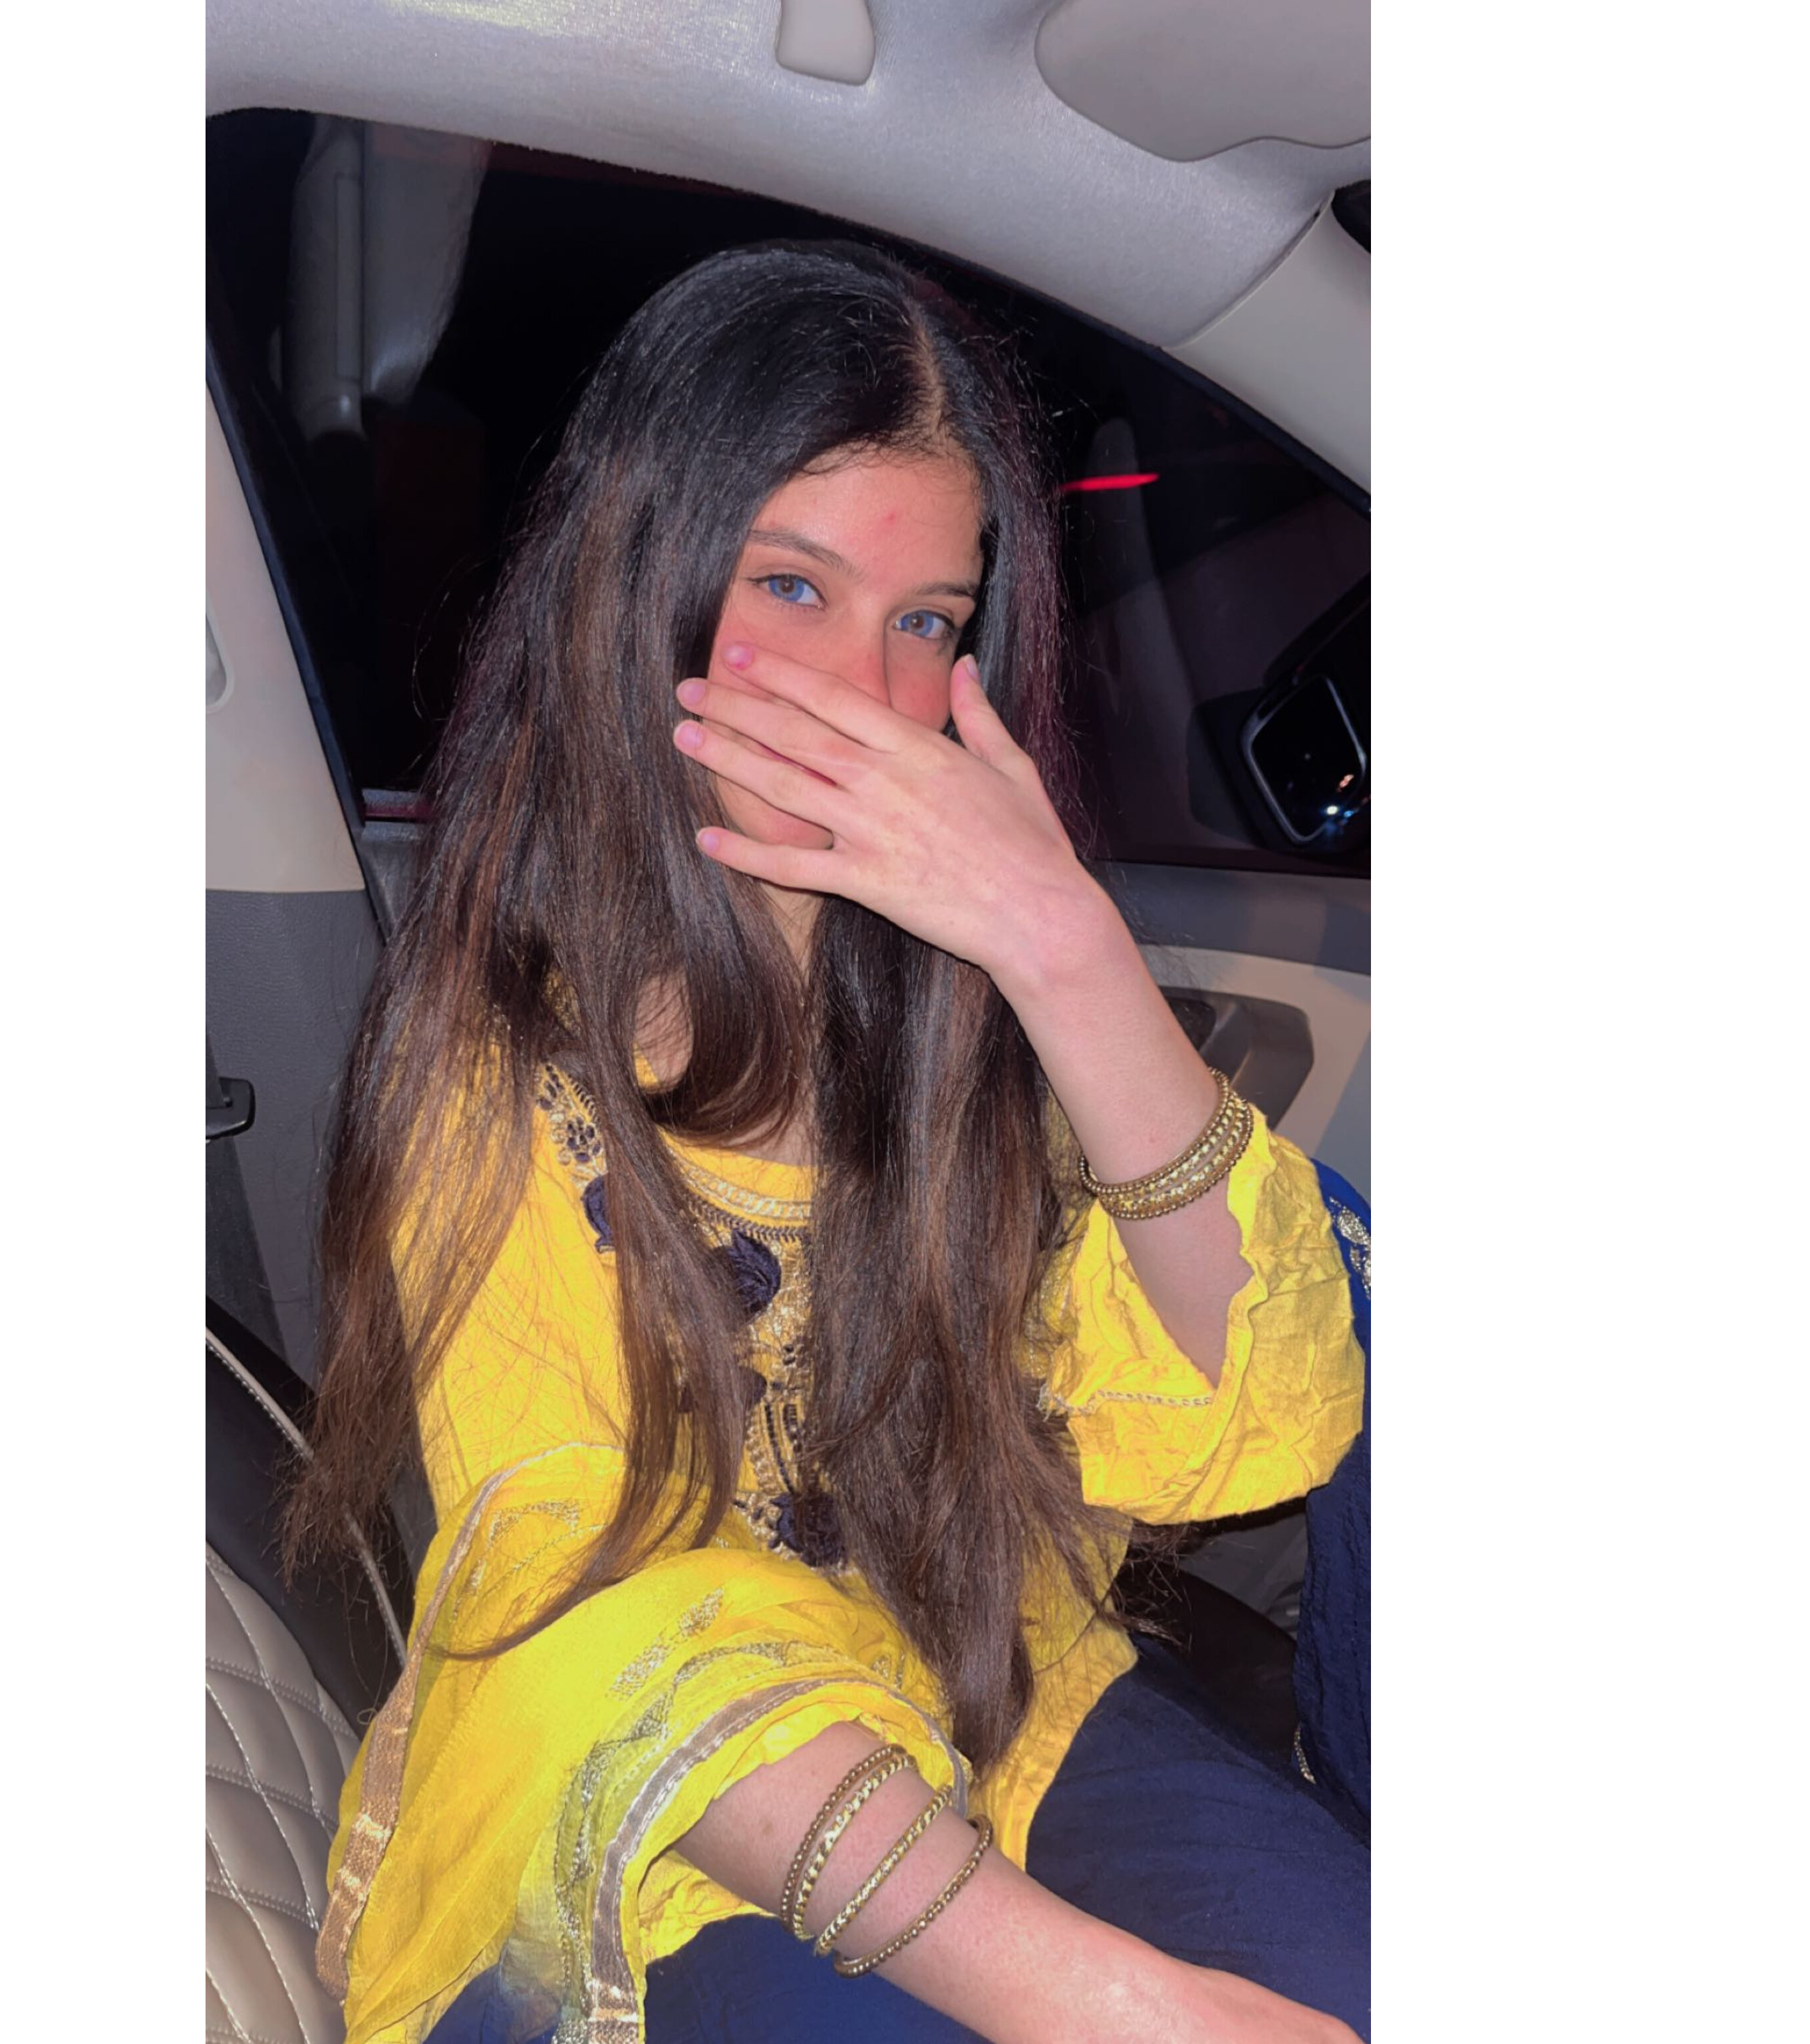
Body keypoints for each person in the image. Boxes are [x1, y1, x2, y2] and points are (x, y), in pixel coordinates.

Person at [286, 241, 1369, 2044]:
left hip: (995, 1695)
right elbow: (586, 1584)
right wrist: (1107, 1997)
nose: (864, 691)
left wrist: (1066, 948)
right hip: (651, 1777)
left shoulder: (967, 1009)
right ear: (644, 583)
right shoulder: (492, 1058)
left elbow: (1249, 1415)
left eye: (926, 623)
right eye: (792, 585)